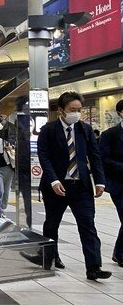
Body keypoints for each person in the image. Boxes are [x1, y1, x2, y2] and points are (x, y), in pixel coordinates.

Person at [37, 91, 110, 280]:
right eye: (72, 110)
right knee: (52, 224)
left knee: (88, 226)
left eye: (79, 110)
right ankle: (51, 256)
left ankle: (94, 266)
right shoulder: (48, 130)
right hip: (56, 187)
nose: (76, 113)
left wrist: (100, 181)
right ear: (61, 110)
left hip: (81, 186)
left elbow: (95, 156)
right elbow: (44, 157)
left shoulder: (85, 129)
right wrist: (53, 180)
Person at [99, 99, 123, 267]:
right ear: (120, 113)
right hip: (119, 184)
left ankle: (119, 252)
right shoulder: (110, 135)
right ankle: (120, 253)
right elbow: (103, 159)